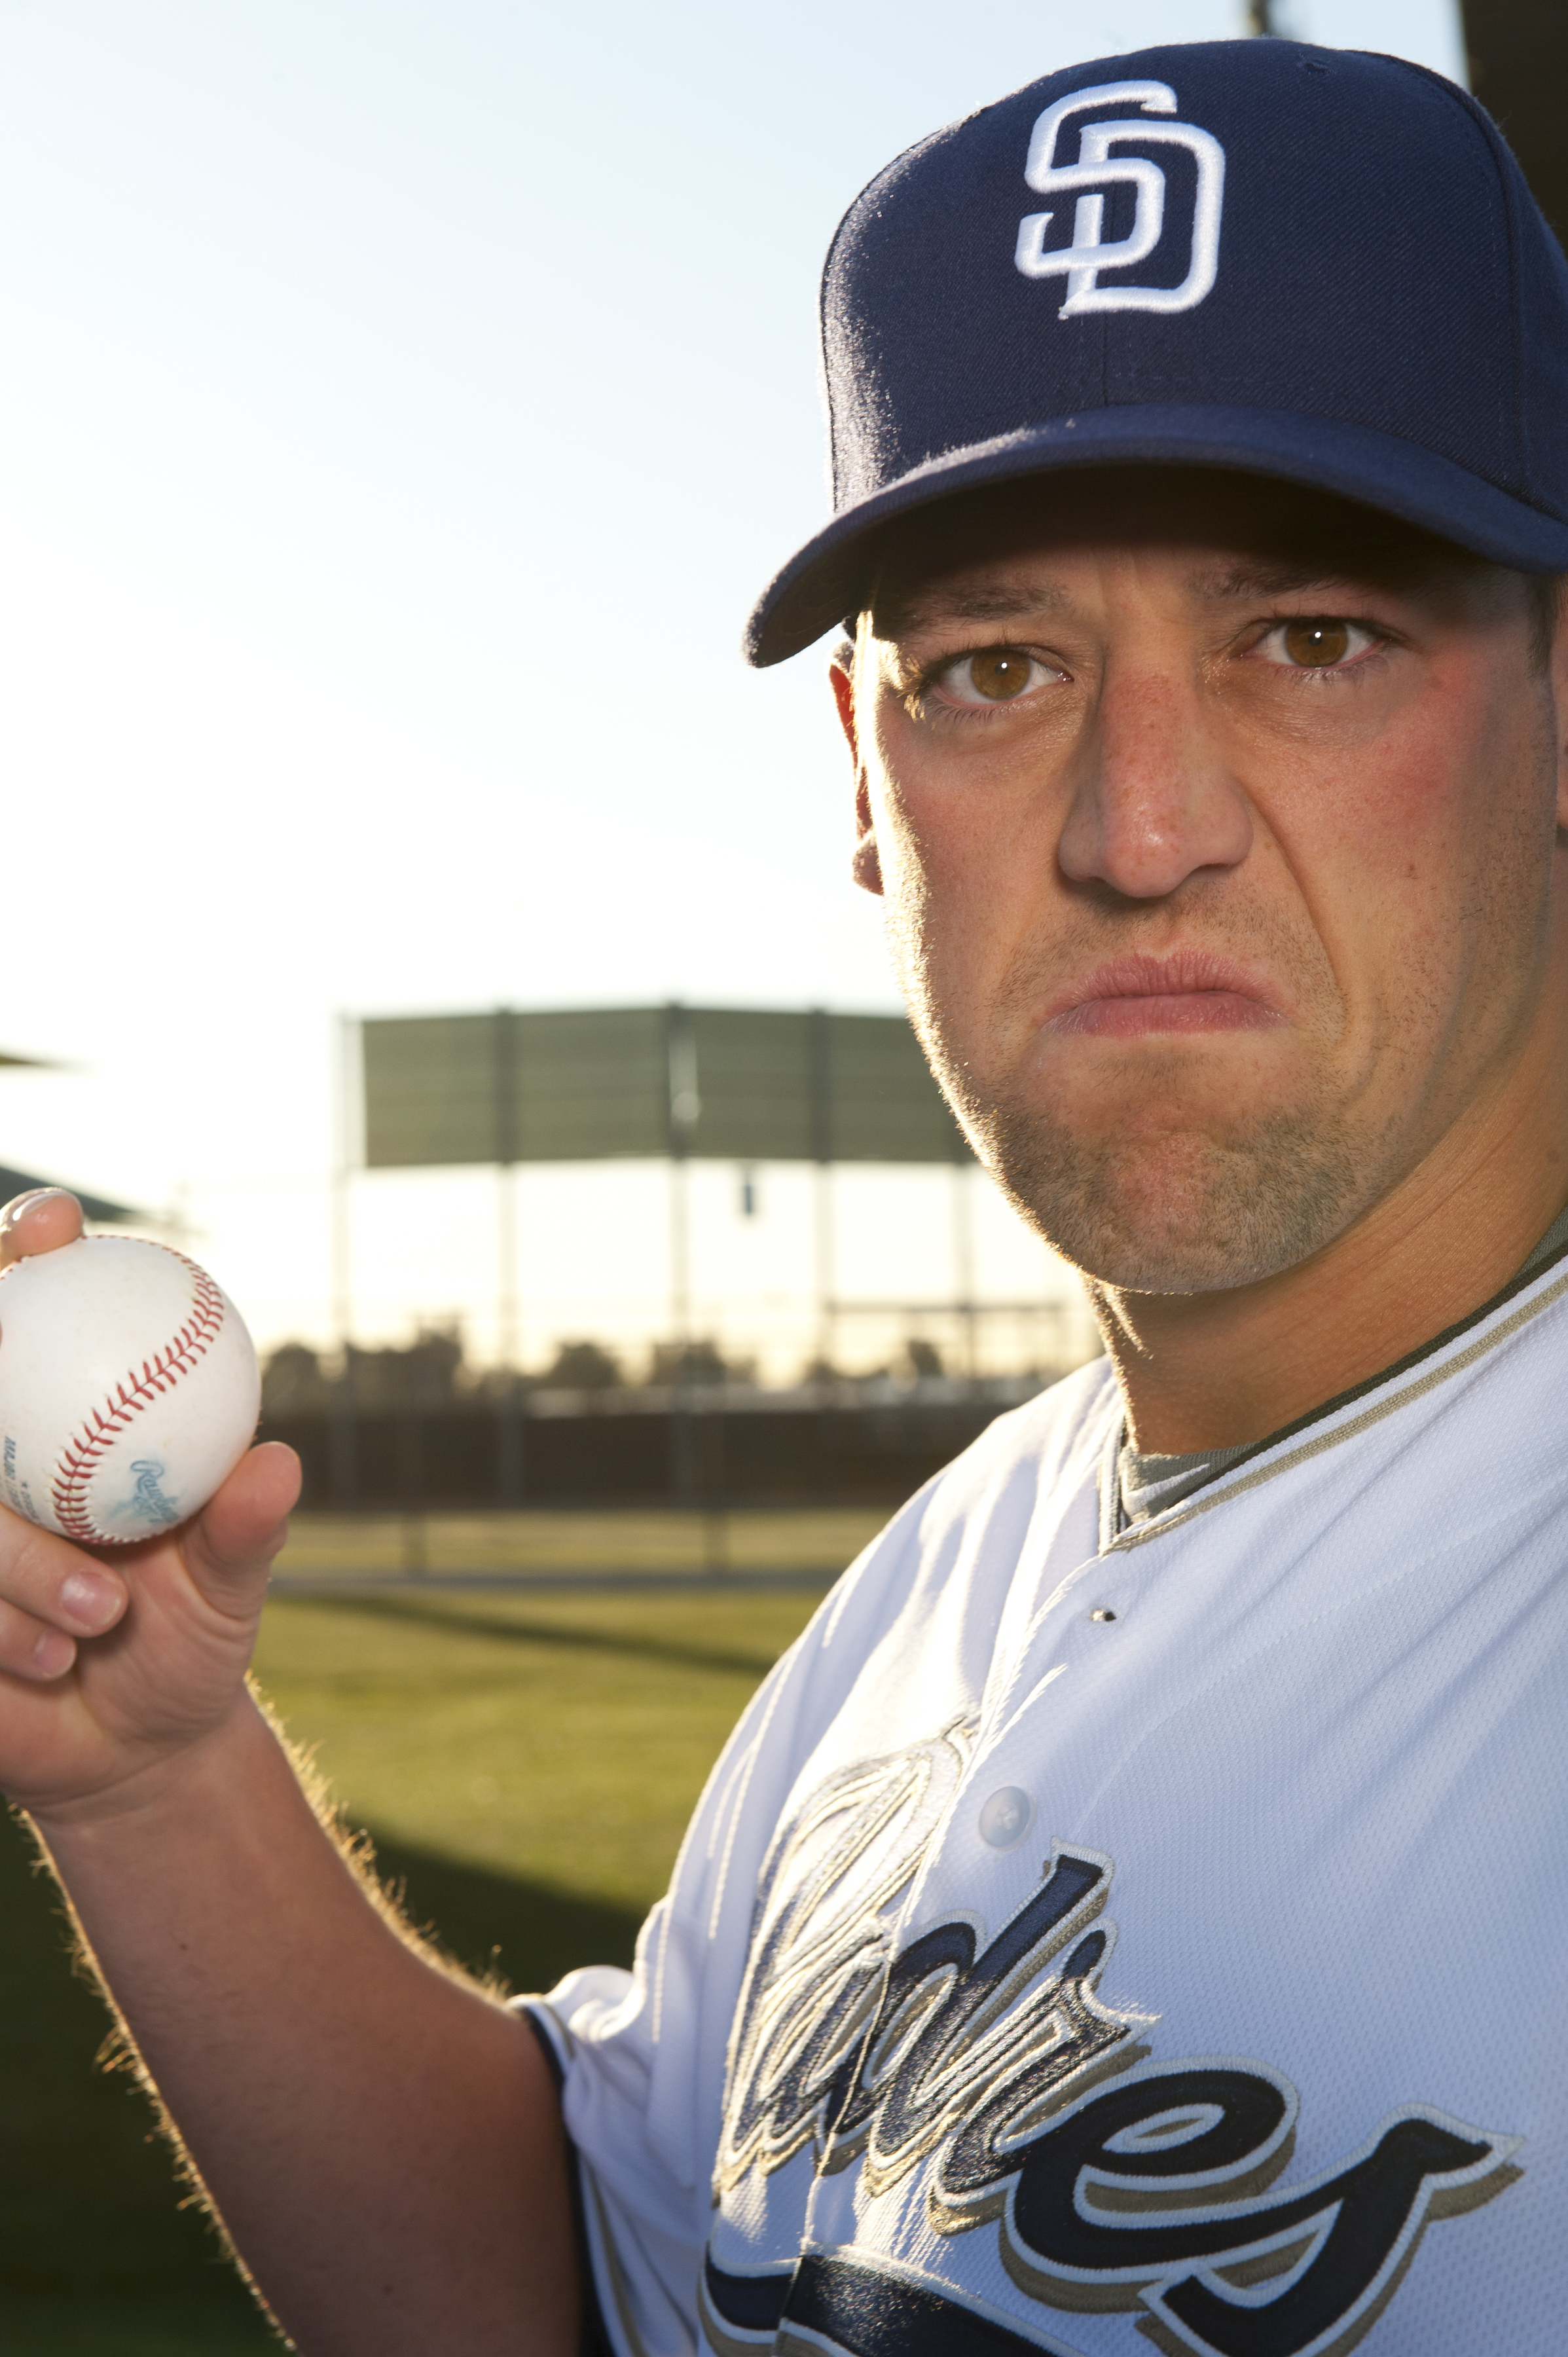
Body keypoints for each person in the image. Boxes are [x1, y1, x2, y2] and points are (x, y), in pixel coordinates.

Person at [1, 35, 1565, 2356]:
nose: (1138, 828)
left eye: (1308, 640)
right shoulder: (957, 1572)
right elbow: (564, 2290)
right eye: (995, 666)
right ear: (864, 767)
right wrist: (155, 1782)